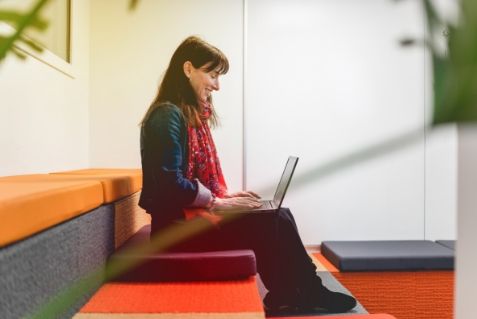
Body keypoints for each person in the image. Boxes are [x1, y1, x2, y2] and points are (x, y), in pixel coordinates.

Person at [138, 35, 356, 313]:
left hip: (188, 223)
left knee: (279, 213)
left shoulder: (187, 116)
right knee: (270, 220)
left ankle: (291, 293)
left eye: (219, 77)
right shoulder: (167, 116)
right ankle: (304, 291)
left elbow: (189, 183)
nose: (217, 85)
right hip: (176, 232)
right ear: (188, 68)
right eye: (212, 75)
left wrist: (225, 196)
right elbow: (171, 186)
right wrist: (218, 202)